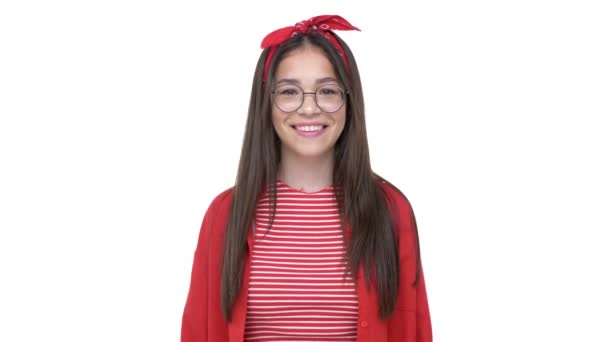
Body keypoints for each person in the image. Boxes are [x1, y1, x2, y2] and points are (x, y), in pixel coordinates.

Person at [181, 15, 432, 342]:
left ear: (349, 101)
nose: (309, 108)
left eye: (327, 90)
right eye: (289, 91)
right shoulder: (225, 214)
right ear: (267, 104)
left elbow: (415, 330)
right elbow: (199, 330)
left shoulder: (390, 210)